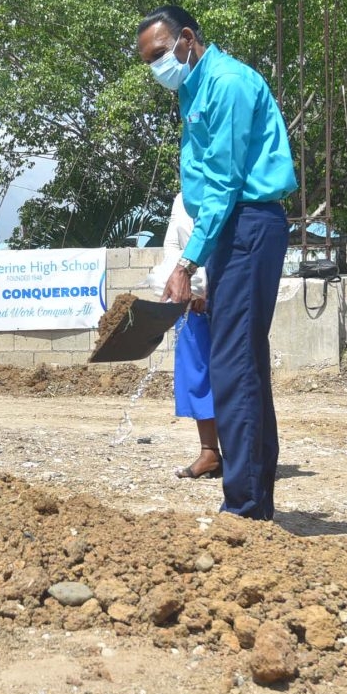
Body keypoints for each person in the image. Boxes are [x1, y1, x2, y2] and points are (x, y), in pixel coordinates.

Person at [136, 5, 297, 520]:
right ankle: (254, 502)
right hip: (231, 226)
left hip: (250, 223)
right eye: (149, 62)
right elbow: (204, 184)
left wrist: (186, 263)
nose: (157, 68)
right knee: (241, 363)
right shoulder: (193, 89)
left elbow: (226, 183)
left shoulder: (226, 84)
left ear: (186, 39)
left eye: (160, 54)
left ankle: (246, 509)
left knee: (232, 366)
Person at [148, 192, 218, 479]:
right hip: (191, 302)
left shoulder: (224, 189)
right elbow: (173, 245)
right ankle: (209, 453)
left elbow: (224, 244)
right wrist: (184, 286)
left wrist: (209, 287)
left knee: (232, 376)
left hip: (225, 297)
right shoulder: (182, 199)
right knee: (197, 376)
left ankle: (244, 455)